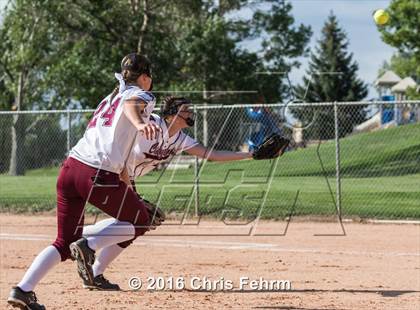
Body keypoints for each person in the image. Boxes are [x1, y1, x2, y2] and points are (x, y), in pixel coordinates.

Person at [76, 96, 286, 290]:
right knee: (140, 220)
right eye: (186, 110)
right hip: (112, 172)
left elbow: (210, 155)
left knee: (144, 220)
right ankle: (86, 245)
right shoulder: (151, 126)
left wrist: (252, 155)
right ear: (172, 114)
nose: (191, 113)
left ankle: (91, 262)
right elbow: (121, 152)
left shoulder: (180, 139)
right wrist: (130, 188)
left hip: (125, 178)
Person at [7, 53, 160, 310]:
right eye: (149, 78)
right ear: (144, 77)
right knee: (142, 220)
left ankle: (22, 290)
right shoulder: (141, 95)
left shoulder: (108, 98)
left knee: (63, 242)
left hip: (70, 170)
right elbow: (132, 104)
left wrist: (131, 191)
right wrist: (139, 123)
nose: (150, 83)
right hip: (97, 173)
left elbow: (121, 160)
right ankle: (88, 246)